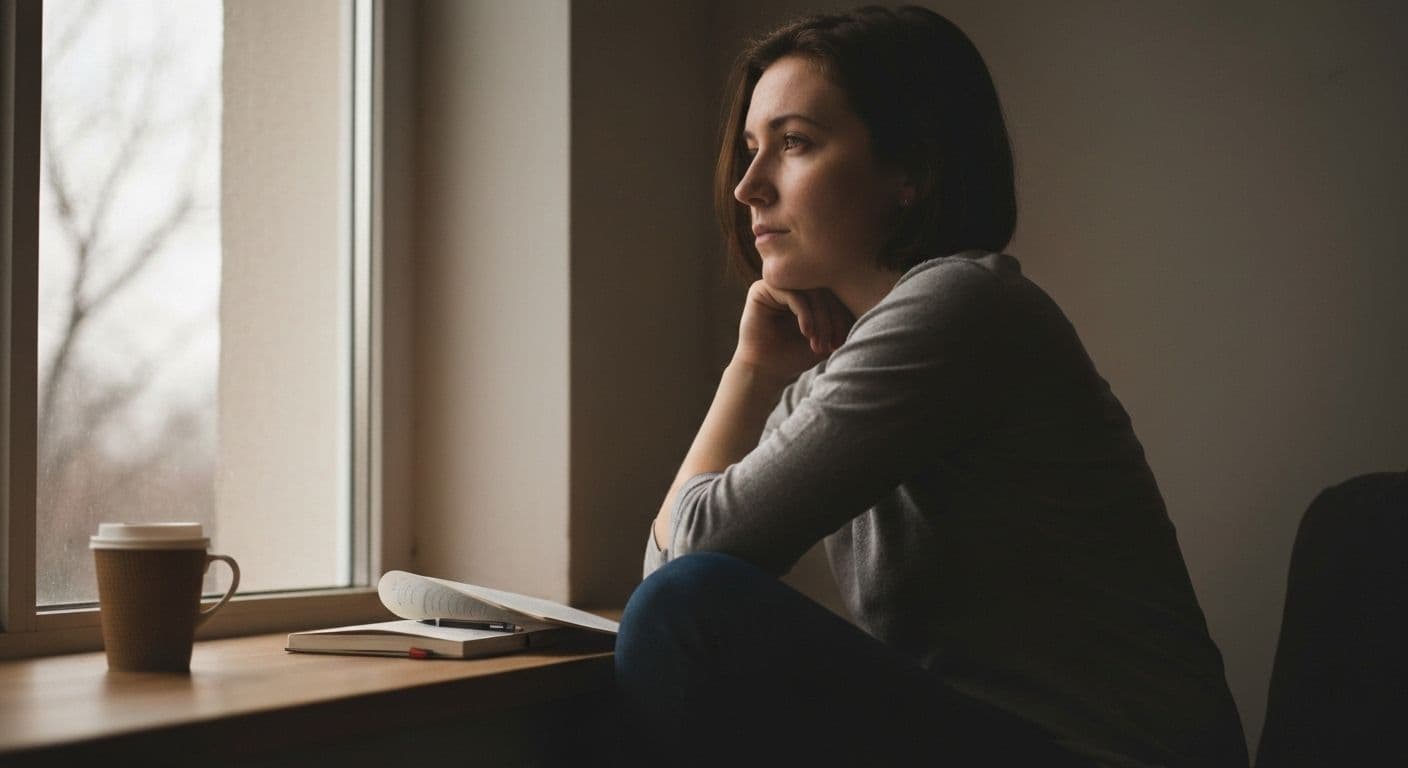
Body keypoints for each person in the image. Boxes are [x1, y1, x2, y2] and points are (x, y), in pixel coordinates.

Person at [614, 6, 1248, 766]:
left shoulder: (961, 306)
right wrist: (751, 372)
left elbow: (684, 588)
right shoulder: (840, 368)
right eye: (752, 150)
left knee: (692, 611)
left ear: (909, 168)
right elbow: (664, 582)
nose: (749, 186)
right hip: (995, 740)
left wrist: (748, 374)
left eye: (794, 144)